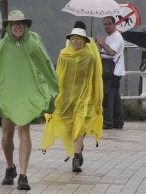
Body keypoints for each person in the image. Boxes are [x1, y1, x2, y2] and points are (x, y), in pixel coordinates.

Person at [0, 9, 58, 190]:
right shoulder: (2, 46)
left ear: (25, 25)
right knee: (7, 134)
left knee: (24, 132)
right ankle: (10, 167)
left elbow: (45, 65)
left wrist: (48, 88)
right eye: (14, 24)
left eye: (20, 23)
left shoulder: (34, 42)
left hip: (26, 95)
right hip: (7, 96)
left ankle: (23, 175)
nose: (17, 27)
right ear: (9, 26)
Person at [42, 27, 103, 172]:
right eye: (73, 38)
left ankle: (76, 158)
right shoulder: (63, 55)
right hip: (67, 97)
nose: (75, 41)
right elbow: (59, 76)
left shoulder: (90, 57)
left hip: (84, 97)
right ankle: (78, 149)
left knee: (80, 125)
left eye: (78, 38)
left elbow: (95, 78)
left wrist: (96, 98)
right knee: (70, 127)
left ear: (83, 41)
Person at [96, 16, 125, 129]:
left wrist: (102, 43)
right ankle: (118, 121)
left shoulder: (117, 37)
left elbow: (112, 52)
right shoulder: (110, 37)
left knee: (108, 97)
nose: (106, 26)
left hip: (113, 72)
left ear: (114, 24)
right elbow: (105, 51)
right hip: (111, 71)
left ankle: (108, 122)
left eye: (108, 24)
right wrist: (101, 44)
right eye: (105, 24)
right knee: (115, 98)